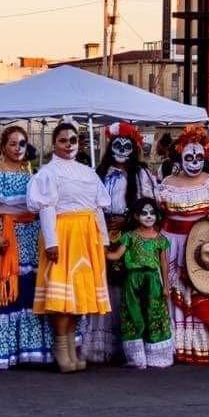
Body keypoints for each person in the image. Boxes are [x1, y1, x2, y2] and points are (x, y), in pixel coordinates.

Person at [27, 121, 111, 373]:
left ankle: (72, 350)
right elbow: (45, 207)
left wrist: (103, 240)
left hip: (87, 235)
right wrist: (51, 241)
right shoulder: (48, 172)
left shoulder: (88, 172)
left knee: (78, 297)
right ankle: (61, 349)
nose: (68, 145)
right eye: (63, 140)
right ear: (54, 143)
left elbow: (98, 209)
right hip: (63, 233)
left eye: (73, 140)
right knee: (62, 296)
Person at [0, 124, 53, 370]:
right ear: (3, 147)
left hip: (31, 234)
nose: (17, 149)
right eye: (12, 144)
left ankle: (31, 350)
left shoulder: (31, 173)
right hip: (8, 234)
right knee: (8, 289)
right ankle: (5, 351)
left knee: (31, 288)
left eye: (21, 144)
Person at [158, 125, 209, 364]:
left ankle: (202, 346)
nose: (194, 162)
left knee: (201, 293)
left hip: (200, 246)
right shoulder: (168, 181)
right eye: (188, 157)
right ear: (180, 156)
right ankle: (176, 345)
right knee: (173, 294)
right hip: (172, 244)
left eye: (198, 158)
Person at [83, 121, 156, 364]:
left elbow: (149, 207)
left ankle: (130, 345)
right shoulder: (99, 174)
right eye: (117, 145)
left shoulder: (141, 175)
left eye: (127, 145)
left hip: (131, 238)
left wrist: (126, 223)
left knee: (129, 288)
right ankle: (104, 346)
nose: (122, 149)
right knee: (106, 286)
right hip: (102, 236)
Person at [105, 197, 173, 369]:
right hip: (132, 281)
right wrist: (101, 248)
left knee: (154, 314)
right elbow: (116, 256)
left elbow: (164, 264)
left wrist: (166, 286)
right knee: (132, 314)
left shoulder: (161, 240)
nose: (149, 216)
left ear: (157, 216)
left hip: (153, 281)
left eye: (152, 213)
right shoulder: (129, 237)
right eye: (144, 213)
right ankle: (137, 358)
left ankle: (157, 357)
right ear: (136, 216)